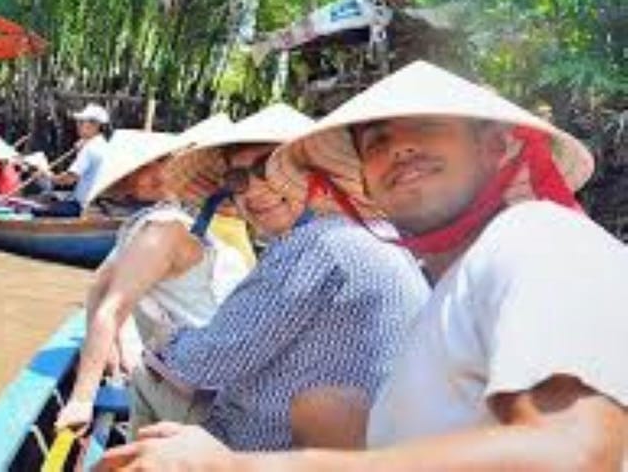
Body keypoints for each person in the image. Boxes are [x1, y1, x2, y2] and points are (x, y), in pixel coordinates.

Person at [102, 61, 628, 470]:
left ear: (494, 148)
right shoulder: (446, 286)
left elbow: (574, 456)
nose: (399, 147)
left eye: (426, 126)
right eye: (376, 142)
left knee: (154, 400)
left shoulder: (537, 235)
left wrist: (237, 466)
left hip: (246, 442)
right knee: (324, 405)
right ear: (362, 180)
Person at [121, 104, 428, 451]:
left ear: (314, 174)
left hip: (269, 448)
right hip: (353, 442)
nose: (252, 191)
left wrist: (164, 338)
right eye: (238, 180)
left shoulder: (315, 244)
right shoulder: (378, 232)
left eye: (268, 167)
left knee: (147, 377)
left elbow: (205, 364)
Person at [55, 125, 252, 433]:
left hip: (202, 380)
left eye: (162, 162)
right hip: (204, 396)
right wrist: (82, 398)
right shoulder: (161, 228)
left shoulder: (164, 222)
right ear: (130, 183)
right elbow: (109, 304)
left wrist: (114, 346)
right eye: (142, 169)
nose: (155, 174)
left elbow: (99, 287)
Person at [35, 103, 110, 217]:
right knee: (49, 199)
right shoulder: (103, 145)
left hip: (82, 206)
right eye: (78, 122)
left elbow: (68, 180)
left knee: (36, 210)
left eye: (81, 122)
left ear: (95, 125)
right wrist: (81, 149)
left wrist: (47, 175)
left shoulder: (90, 149)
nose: (77, 126)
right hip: (91, 202)